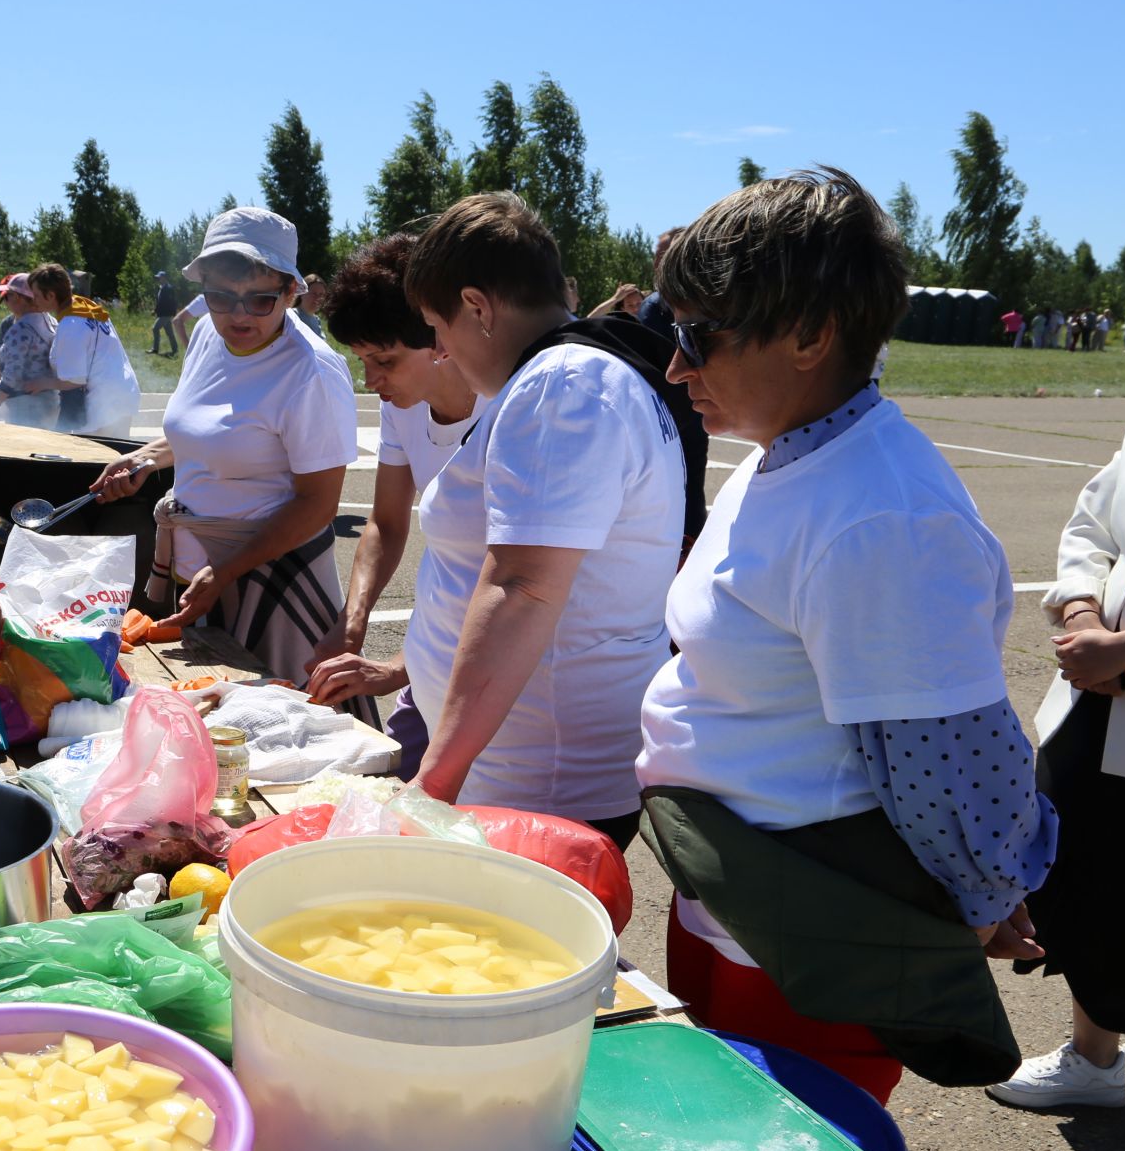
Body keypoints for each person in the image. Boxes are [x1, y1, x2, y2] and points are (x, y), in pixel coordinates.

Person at [634, 167, 1057, 1105]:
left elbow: (947, 754)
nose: (675, 365)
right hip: (738, 893)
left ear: (811, 335)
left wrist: (987, 891)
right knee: (712, 1149)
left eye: (699, 337)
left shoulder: (881, 517)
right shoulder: (787, 452)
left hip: (810, 929)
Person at [372, 192, 683, 845]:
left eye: (439, 327)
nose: (442, 352)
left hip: (534, 786)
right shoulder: (573, 374)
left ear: (478, 307)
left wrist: (433, 781)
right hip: (529, 771)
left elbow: (523, 588)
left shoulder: (560, 386)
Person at [985, 386, 1125, 1151]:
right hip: (1095, 703)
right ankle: (1093, 1058)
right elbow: (1094, 520)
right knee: (1076, 879)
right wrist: (1076, 608)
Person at [86, 206, 361, 697]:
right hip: (200, 573)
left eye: (260, 300)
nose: (237, 315)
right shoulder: (210, 336)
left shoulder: (311, 372)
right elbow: (205, 431)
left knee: (270, 723)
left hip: (272, 576)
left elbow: (319, 505)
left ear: (291, 291)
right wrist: (146, 457)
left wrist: (227, 570)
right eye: (220, 296)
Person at [302, 233, 484, 777]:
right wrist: (352, 624)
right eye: (361, 360)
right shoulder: (403, 404)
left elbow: (513, 582)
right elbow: (384, 522)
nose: (370, 381)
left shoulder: (507, 409)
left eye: (384, 360)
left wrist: (397, 667)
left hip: (493, 681)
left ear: (441, 338)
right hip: (436, 661)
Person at [30, 262, 142, 437]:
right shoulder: (85, 307)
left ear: (51, 295)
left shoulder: (71, 325)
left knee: (99, 459)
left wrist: (41, 383)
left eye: (36, 295)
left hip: (104, 400)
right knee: (119, 454)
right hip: (123, 390)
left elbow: (74, 381)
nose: (33, 300)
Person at [0, 272, 59, 428]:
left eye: (7, 296)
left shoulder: (20, 330)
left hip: (25, 404)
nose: (5, 302)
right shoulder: (50, 321)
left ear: (18, 297)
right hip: (49, 399)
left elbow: (12, 374)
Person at [150, 271, 181, 356]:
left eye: (159, 277)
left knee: (155, 328)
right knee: (170, 333)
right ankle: (175, 350)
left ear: (164, 277)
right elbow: (160, 302)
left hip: (166, 314)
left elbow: (172, 301)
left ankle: (155, 349)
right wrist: (155, 311)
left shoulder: (168, 288)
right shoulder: (162, 287)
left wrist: (173, 313)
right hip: (163, 314)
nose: (158, 279)